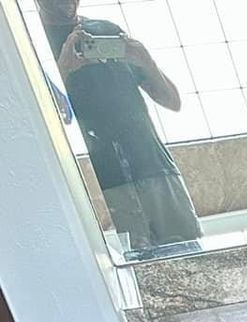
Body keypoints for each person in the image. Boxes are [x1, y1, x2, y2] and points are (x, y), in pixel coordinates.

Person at [42, 0, 202, 251]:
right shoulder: (29, 49)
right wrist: (64, 71)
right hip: (101, 184)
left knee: (189, 256)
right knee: (133, 270)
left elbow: (172, 101)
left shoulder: (105, 30)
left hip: (155, 168)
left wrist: (145, 60)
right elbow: (49, 122)